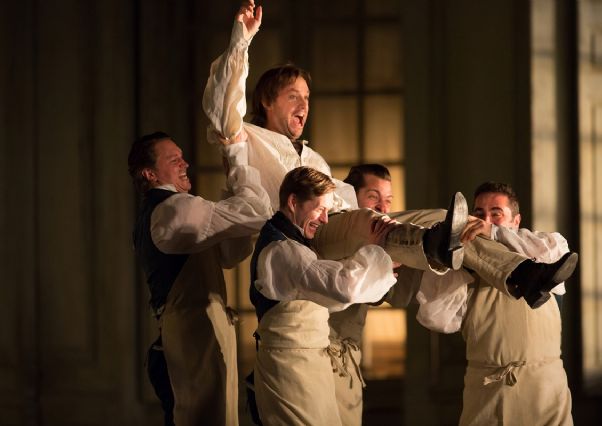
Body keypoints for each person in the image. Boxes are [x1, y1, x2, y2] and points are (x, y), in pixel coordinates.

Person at [201, 1, 578, 311]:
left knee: (446, 220)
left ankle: (522, 276)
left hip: (350, 225)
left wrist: (388, 223)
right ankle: (431, 246)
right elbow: (222, 108)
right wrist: (242, 40)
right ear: (267, 101)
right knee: (372, 221)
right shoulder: (247, 138)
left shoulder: (313, 158)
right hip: (311, 236)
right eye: (293, 96)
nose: (304, 105)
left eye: (307, 98)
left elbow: (350, 206)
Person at [128, 131, 271, 426]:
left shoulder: (171, 210)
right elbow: (258, 212)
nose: (185, 164)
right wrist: (238, 163)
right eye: (174, 160)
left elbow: (229, 254)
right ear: (150, 173)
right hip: (193, 337)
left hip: (200, 332)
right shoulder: (173, 210)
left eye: (182, 158)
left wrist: (233, 183)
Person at [416, 181, 576, 426]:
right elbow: (436, 319)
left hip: (545, 390)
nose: (484, 220)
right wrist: (453, 259)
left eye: (496, 214)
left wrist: (492, 232)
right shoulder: (466, 269)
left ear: (516, 221)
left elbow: (555, 249)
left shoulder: (545, 251)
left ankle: (524, 274)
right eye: (478, 214)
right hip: (488, 391)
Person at [249, 166, 398, 425]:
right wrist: (375, 252)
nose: (326, 220)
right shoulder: (282, 250)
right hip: (290, 369)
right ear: (293, 202)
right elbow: (342, 287)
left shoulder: (296, 245)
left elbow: (330, 299)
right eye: (320, 209)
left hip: (308, 364)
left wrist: (381, 263)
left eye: (329, 211)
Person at [328, 164, 419, 426]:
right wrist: (377, 260)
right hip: (320, 354)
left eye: (387, 200)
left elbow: (395, 296)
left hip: (349, 356)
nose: (382, 207)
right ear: (350, 195)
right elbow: (349, 286)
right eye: (373, 197)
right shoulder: (330, 232)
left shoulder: (378, 239)